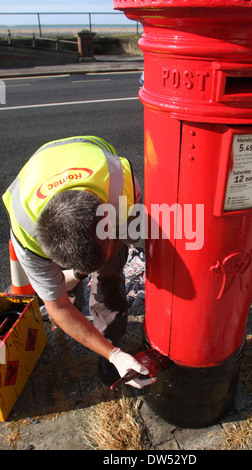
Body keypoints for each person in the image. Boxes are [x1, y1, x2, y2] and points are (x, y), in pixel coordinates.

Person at [2, 135, 155, 389]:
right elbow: (57, 306)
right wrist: (66, 288)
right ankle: (79, 323)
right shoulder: (25, 231)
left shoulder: (122, 188)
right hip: (41, 176)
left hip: (92, 157)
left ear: (108, 218)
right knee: (63, 299)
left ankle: (109, 337)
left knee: (110, 275)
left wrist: (113, 354)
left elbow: (125, 237)